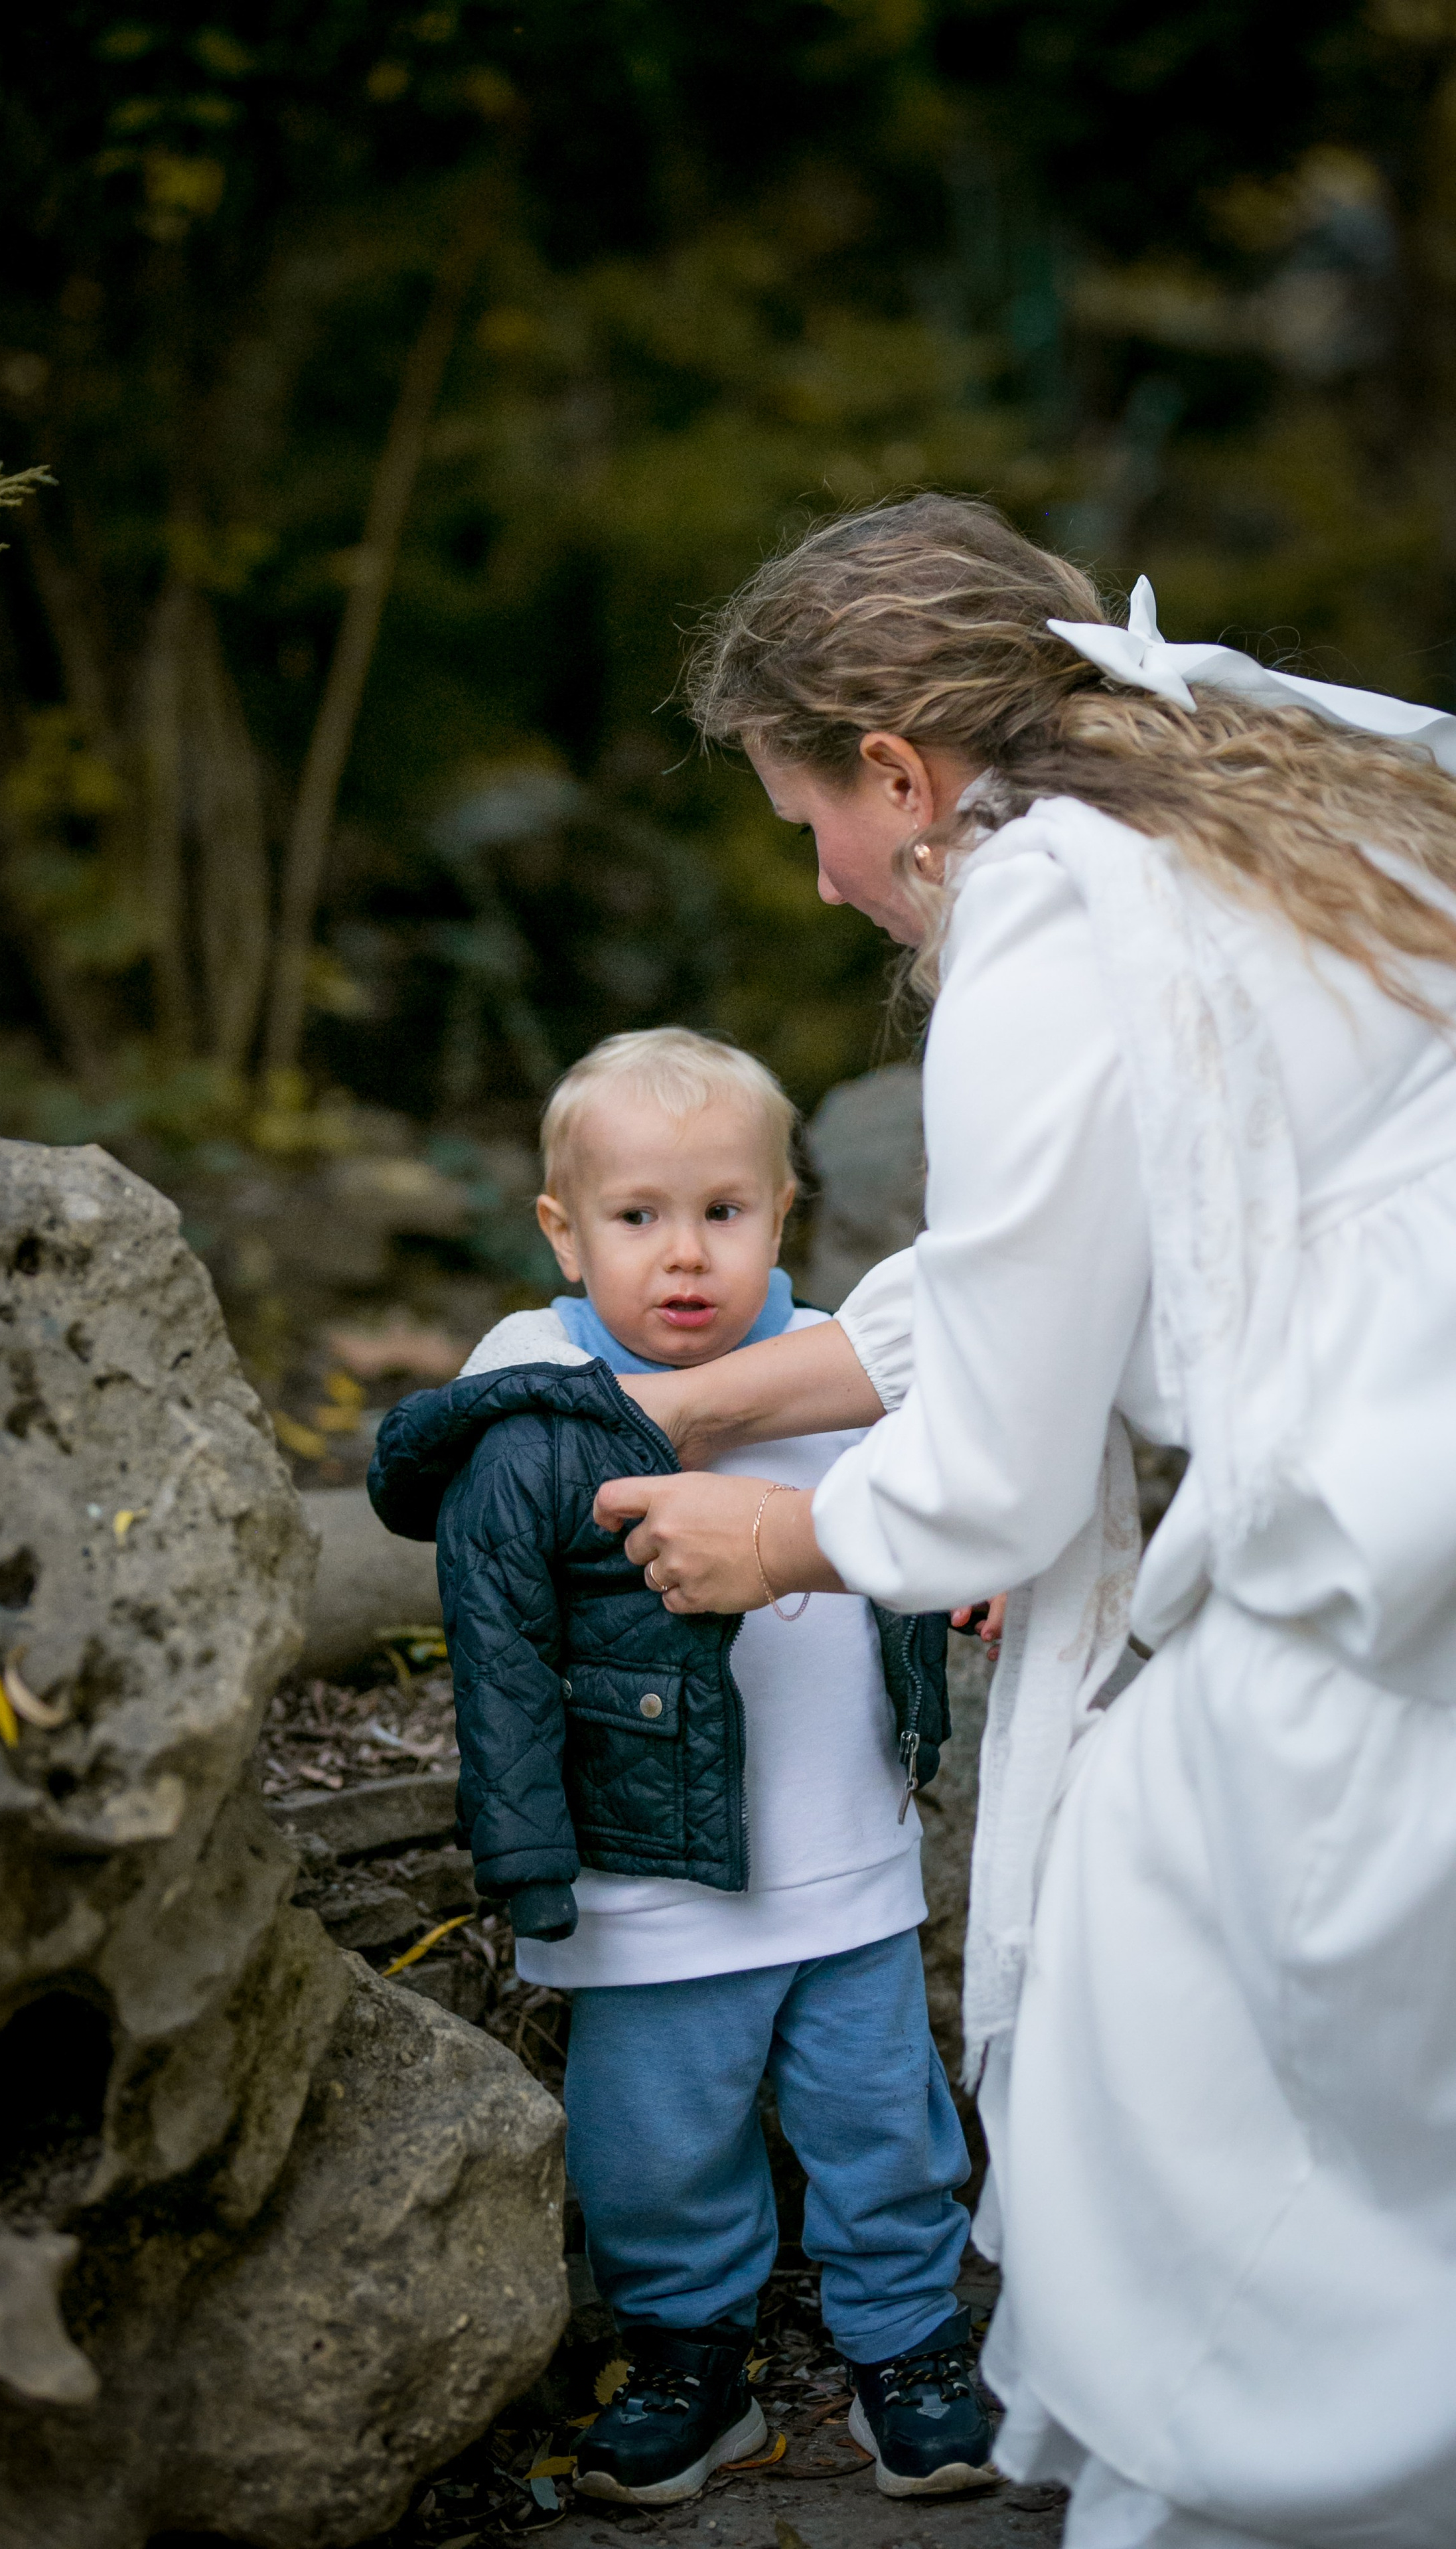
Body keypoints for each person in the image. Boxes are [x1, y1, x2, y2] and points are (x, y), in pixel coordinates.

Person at [591, 497, 1456, 2549]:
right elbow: (1031, 1280)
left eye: (804, 813)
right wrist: (710, 1397)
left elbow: (995, 1454)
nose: (816, 881)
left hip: (1386, 1562)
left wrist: (777, 1546)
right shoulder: (1261, 805)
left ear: (897, 774)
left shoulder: (1050, 914)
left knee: (1144, 2010)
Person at [368, 1027, 997, 2506]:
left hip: (841, 1847)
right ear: (561, 1230)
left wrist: (976, 1563)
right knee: (653, 2142)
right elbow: (489, 1599)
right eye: (635, 1217)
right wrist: (519, 1854)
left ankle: (904, 2343)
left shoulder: (840, 1366)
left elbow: (955, 1495)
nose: (684, 1256)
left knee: (879, 2118)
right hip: (638, 1869)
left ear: (783, 1210)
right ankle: (684, 2355)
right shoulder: (523, 1382)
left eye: (724, 1210)